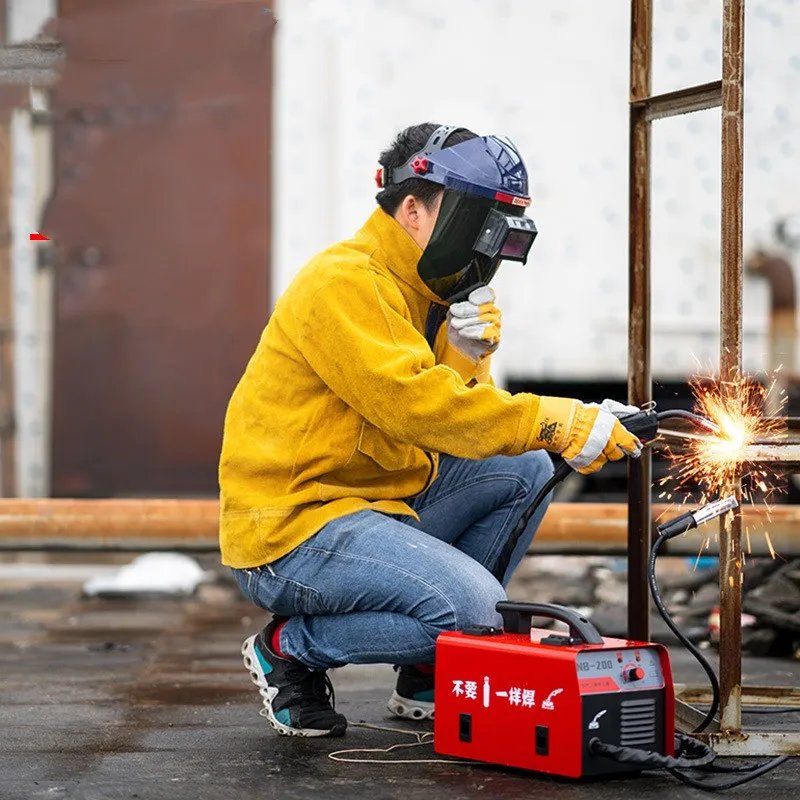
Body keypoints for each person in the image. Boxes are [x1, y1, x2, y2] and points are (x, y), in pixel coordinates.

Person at [218, 123, 642, 738]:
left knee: (522, 468)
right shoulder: (344, 282)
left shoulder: (429, 294)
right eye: (477, 222)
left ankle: (425, 670)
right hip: (291, 529)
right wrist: (558, 419)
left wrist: (468, 356)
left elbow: (458, 418)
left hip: (376, 507)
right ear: (413, 208)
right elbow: (416, 406)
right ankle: (289, 649)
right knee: (475, 613)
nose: (487, 246)